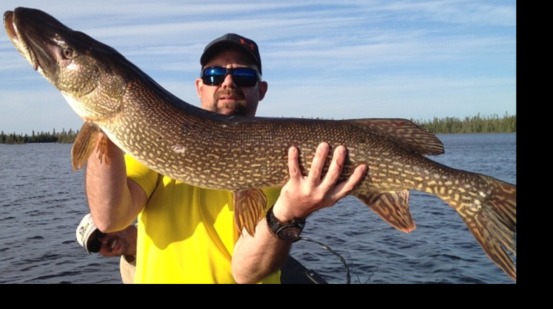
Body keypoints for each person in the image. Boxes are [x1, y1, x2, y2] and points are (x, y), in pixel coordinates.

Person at [85, 33, 367, 283]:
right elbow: (110, 219)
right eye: (214, 75)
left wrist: (289, 213)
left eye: (243, 76)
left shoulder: (284, 161)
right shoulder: (154, 144)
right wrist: (105, 121)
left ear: (262, 89)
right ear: (199, 87)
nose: (228, 82)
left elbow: (247, 272)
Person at [76, 213, 137, 284]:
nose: (104, 242)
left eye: (101, 233)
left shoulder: (151, 225)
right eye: (95, 245)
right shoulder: (126, 272)